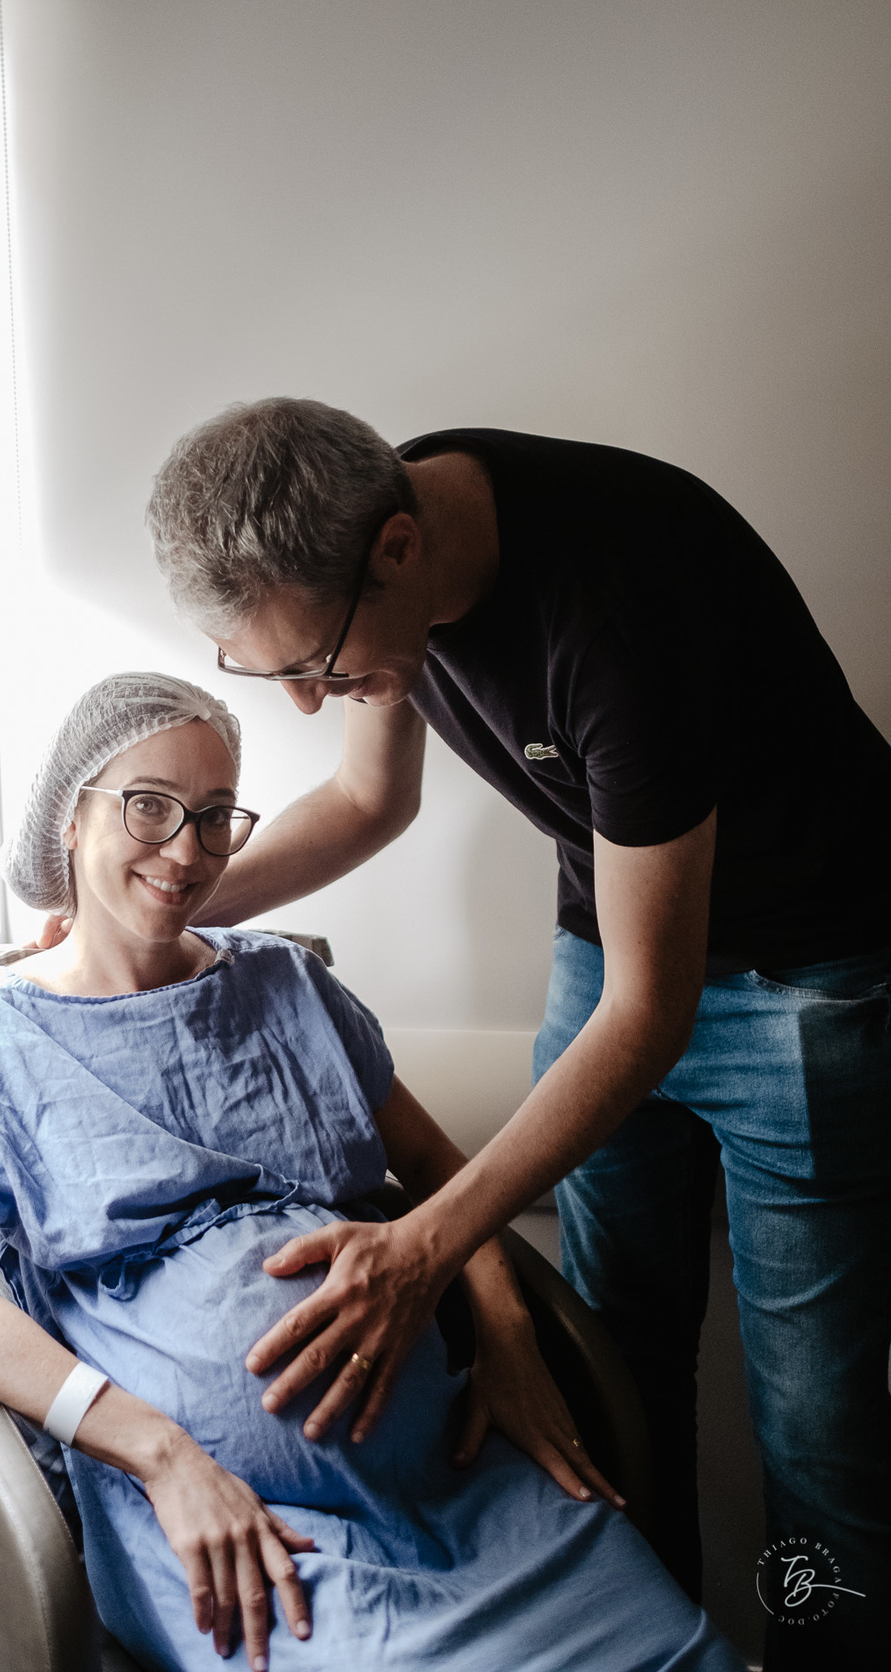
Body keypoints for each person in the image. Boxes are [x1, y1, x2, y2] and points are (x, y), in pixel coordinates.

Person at [143, 400, 891, 1670]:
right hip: (617, 952)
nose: (313, 702)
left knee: (819, 1441)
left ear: (397, 550)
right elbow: (365, 798)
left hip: (803, 981)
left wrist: (426, 1245)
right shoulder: (372, 536)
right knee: (615, 1373)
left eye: (316, 663)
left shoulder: (621, 600)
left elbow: (651, 1014)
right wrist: (165, 903)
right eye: (276, 678)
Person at [0, 672, 744, 1672]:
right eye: (149, 806)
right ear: (70, 817)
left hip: (461, 1481)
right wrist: (161, 1454)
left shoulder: (285, 983)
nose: (186, 851)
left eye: (215, 816)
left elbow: (437, 1167)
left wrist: (509, 1338)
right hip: (239, 1524)